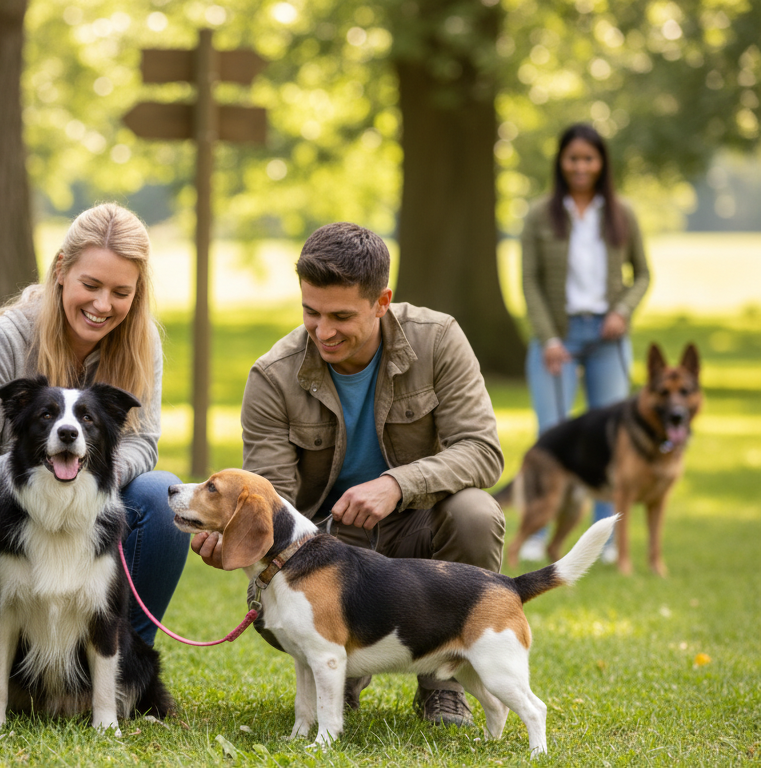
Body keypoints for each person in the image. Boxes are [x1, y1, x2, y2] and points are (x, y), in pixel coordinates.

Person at [190, 222, 505, 727]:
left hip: (419, 528)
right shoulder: (273, 376)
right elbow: (272, 498)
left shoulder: (438, 339)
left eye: (341, 316)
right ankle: (339, 671)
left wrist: (398, 484)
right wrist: (230, 534)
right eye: (311, 313)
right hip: (327, 547)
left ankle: (442, 686)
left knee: (476, 514)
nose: (323, 332)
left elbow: (482, 450)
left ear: (382, 302)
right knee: (285, 601)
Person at [0, 203, 190, 650]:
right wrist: (42, 484)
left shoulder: (142, 342)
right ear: (61, 269)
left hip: (92, 520)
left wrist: (92, 480)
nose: (103, 305)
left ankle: (123, 660)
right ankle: (6, 652)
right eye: (91, 285)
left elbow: (142, 440)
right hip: (6, 526)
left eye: (121, 292)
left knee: (161, 494)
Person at [517, 123, 650, 563]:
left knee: (610, 441)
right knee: (551, 433)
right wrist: (549, 338)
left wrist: (622, 311)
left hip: (607, 337)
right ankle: (537, 534)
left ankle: (605, 540)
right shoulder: (540, 215)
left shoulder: (622, 213)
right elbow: (530, 282)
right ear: (561, 161)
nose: (580, 166)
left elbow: (642, 274)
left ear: (601, 163)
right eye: (573, 158)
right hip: (557, 337)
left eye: (588, 158)